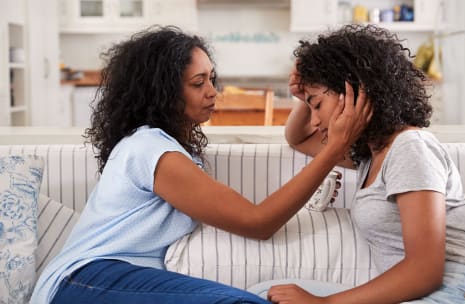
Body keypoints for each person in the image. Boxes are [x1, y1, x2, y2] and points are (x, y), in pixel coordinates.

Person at [30, 26, 369, 304]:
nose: (212, 92)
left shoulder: (169, 148)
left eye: (211, 79)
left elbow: (296, 139)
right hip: (85, 281)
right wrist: (334, 148)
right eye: (198, 83)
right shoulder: (150, 149)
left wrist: (303, 101)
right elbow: (257, 222)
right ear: (161, 91)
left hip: (112, 281)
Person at [262, 24, 465, 303]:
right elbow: (298, 138)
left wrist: (324, 303)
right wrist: (305, 98)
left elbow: (425, 271)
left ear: (351, 92)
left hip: (459, 290)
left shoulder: (410, 148)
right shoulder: (372, 155)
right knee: (266, 294)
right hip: (424, 293)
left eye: (318, 105)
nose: (314, 120)